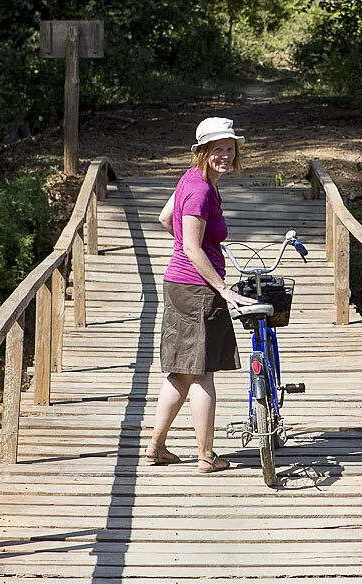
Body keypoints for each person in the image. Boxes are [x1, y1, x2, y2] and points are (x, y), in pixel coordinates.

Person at [145, 117, 257, 473]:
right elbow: (192, 248)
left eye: (229, 148)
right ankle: (206, 457)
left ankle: (155, 447)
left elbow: (165, 218)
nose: (225, 155)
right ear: (202, 152)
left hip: (180, 285)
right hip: (197, 290)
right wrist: (223, 289)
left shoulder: (192, 181)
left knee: (181, 372)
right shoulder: (201, 190)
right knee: (203, 373)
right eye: (217, 149)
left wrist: (187, 247)